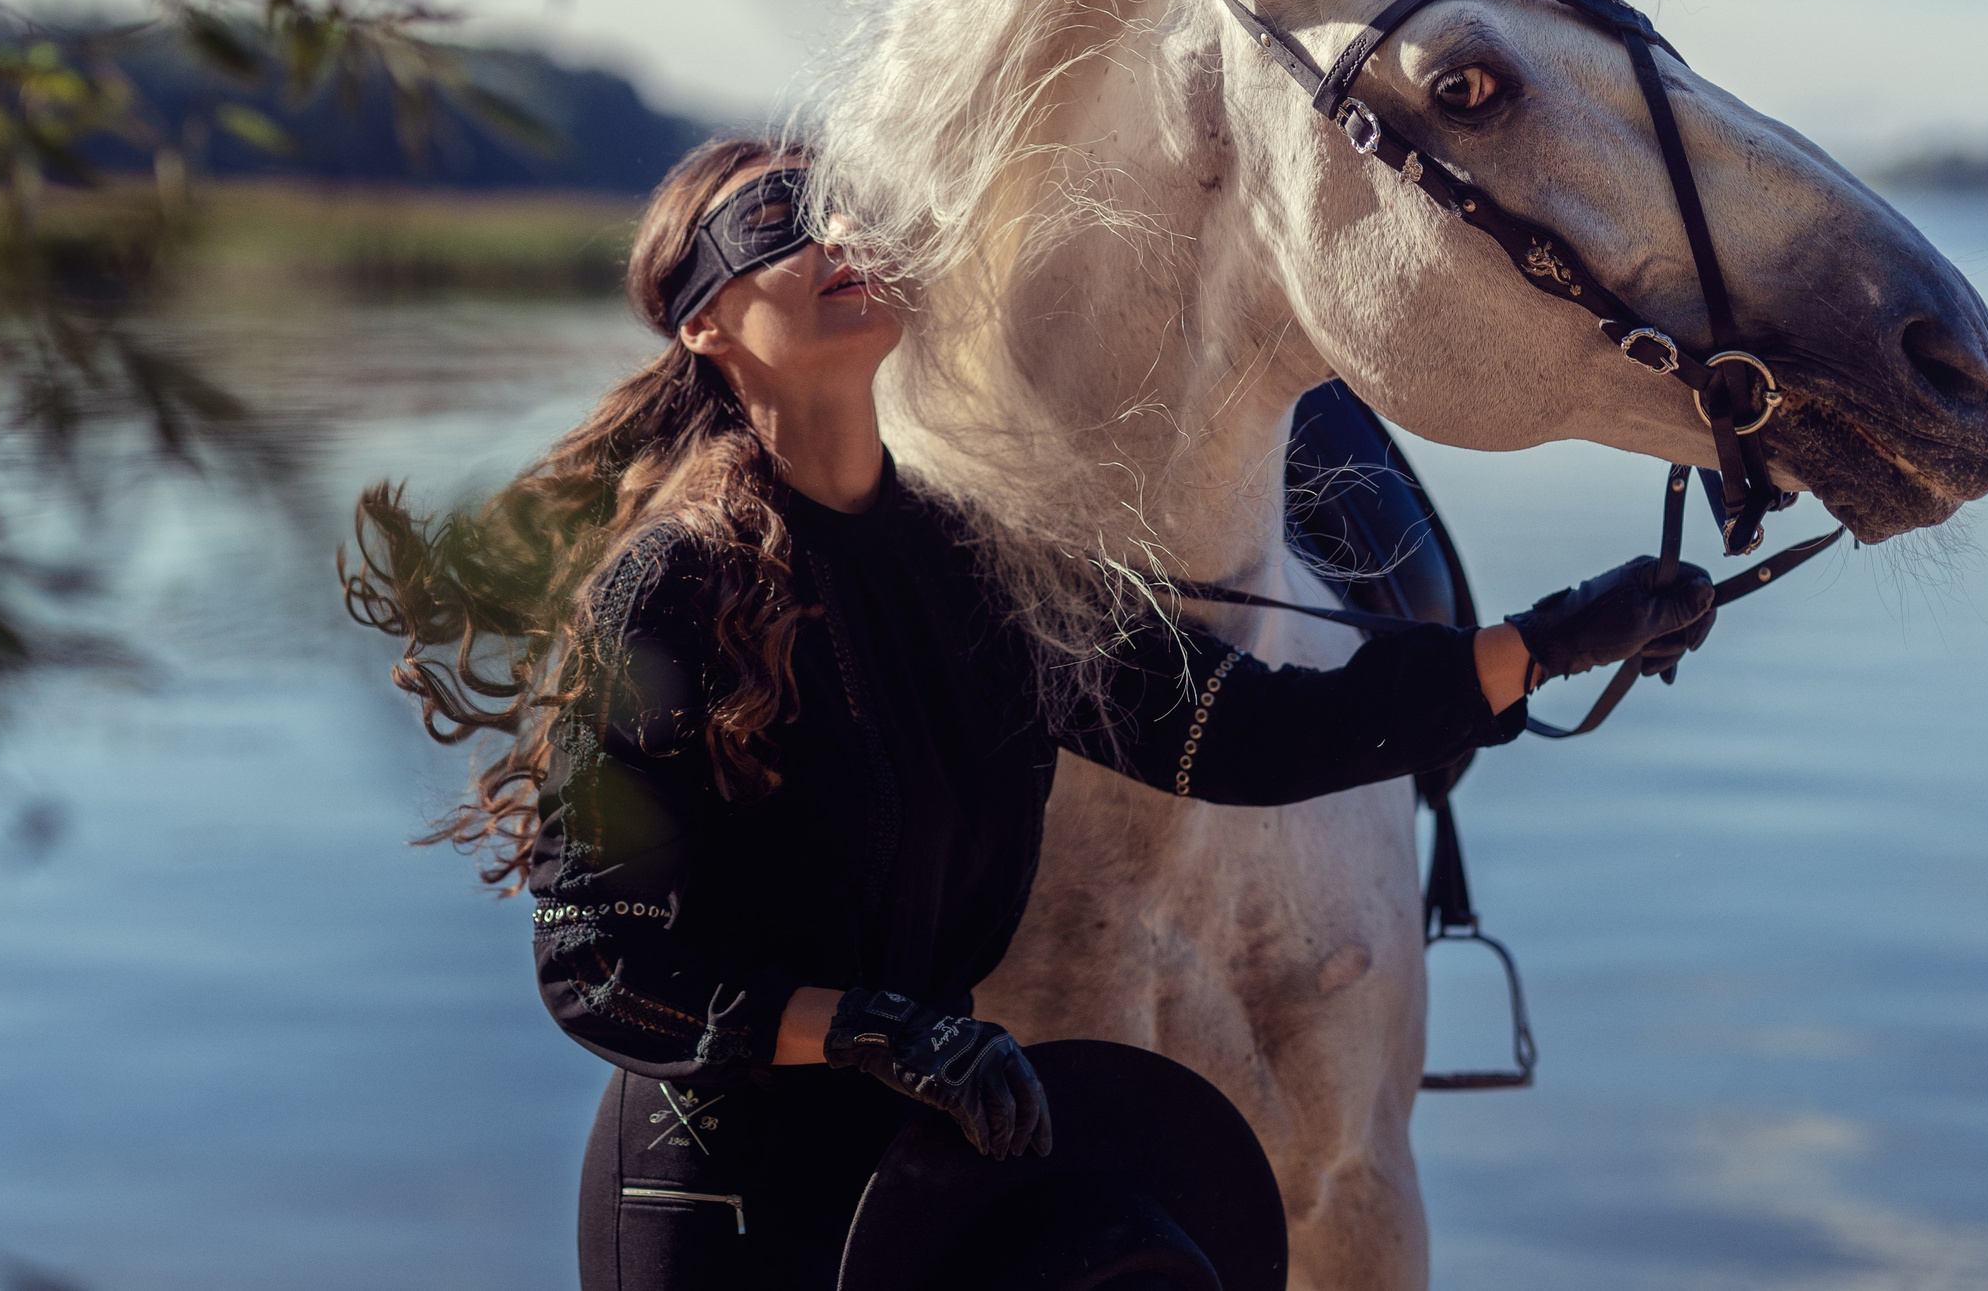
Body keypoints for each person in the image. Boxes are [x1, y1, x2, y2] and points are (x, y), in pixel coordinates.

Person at [343, 135, 1715, 1291]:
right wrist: (873, 1029)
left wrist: (1555, 638)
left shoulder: (980, 570)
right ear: (705, 321)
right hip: (723, 1205)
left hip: (943, 1174)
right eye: (779, 223)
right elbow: (599, 966)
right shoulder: (670, 589)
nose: (838, 233)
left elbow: (1244, 733)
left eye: (854, 209)